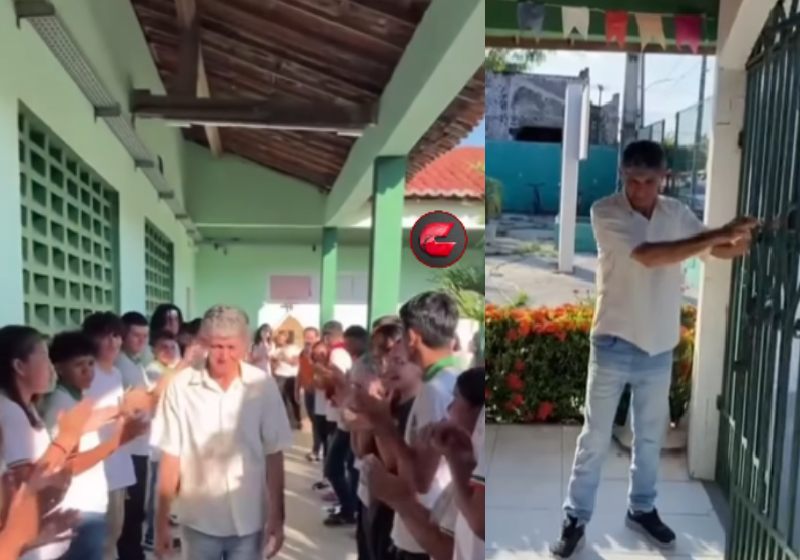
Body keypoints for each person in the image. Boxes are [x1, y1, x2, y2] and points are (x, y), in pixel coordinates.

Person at [551, 140, 759, 557]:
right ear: (623, 176)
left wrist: (740, 240)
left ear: (664, 178)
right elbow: (648, 256)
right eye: (633, 180)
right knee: (594, 437)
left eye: (649, 180)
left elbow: (712, 247)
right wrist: (718, 234)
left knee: (649, 439)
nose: (640, 189)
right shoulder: (605, 211)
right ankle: (575, 517)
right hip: (612, 340)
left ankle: (641, 509)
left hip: (659, 345)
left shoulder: (676, 212)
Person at [155, 306, 292, 560]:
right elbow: (170, 454)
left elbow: (274, 453)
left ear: (244, 346)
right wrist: (160, 520)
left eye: (231, 347)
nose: (224, 356)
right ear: (204, 343)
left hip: (249, 519)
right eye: (217, 346)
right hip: (199, 519)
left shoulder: (261, 385)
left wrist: (277, 515)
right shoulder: (181, 386)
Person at [351, 291, 462, 560]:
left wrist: (383, 423)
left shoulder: (433, 392)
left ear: (412, 338)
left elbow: (420, 481)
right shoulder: (455, 380)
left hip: (422, 533)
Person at [43, 330, 148, 560]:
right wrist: (119, 440)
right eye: (79, 365)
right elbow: (70, 464)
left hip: (89, 504)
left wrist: (121, 412)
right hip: (78, 508)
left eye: (91, 363)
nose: (87, 370)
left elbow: (96, 418)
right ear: (58, 368)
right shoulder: (60, 405)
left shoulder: (74, 399)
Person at [363, 367, 485, 560]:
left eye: (456, 400)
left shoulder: (433, 391)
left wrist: (398, 499)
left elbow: (448, 546)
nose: (449, 409)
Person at [0, 325, 96, 560]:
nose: (52, 368)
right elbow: (22, 488)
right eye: (44, 358)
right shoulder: (11, 413)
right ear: (19, 367)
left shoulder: (25, 407)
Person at [82, 312, 139, 560]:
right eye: (105, 336)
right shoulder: (86, 375)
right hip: (96, 468)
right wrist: (118, 412)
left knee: (115, 534)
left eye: (116, 335)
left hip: (118, 465)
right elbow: (81, 421)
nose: (113, 342)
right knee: (101, 540)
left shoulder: (115, 373)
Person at [114, 312, 152, 560]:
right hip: (128, 450)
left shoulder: (136, 362)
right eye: (135, 335)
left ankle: (134, 551)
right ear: (123, 336)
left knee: (137, 510)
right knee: (130, 512)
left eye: (145, 336)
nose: (140, 341)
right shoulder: (119, 366)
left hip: (142, 446)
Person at [296, 327, 322, 462]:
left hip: (318, 392)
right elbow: (300, 372)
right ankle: (317, 448)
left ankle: (317, 450)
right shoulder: (302, 353)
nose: (308, 340)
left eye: (311, 337)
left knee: (318, 422)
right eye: (306, 337)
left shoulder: (320, 353)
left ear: (317, 337)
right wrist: (297, 388)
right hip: (307, 391)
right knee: (313, 421)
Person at [271, 331, 302, 430]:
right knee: (280, 399)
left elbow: (295, 362)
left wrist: (284, 357)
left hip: (291, 376)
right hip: (280, 376)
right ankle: (284, 421)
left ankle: (296, 421)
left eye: (282, 337)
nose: (279, 339)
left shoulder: (294, 349)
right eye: (278, 337)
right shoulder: (277, 349)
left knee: (293, 399)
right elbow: (273, 363)